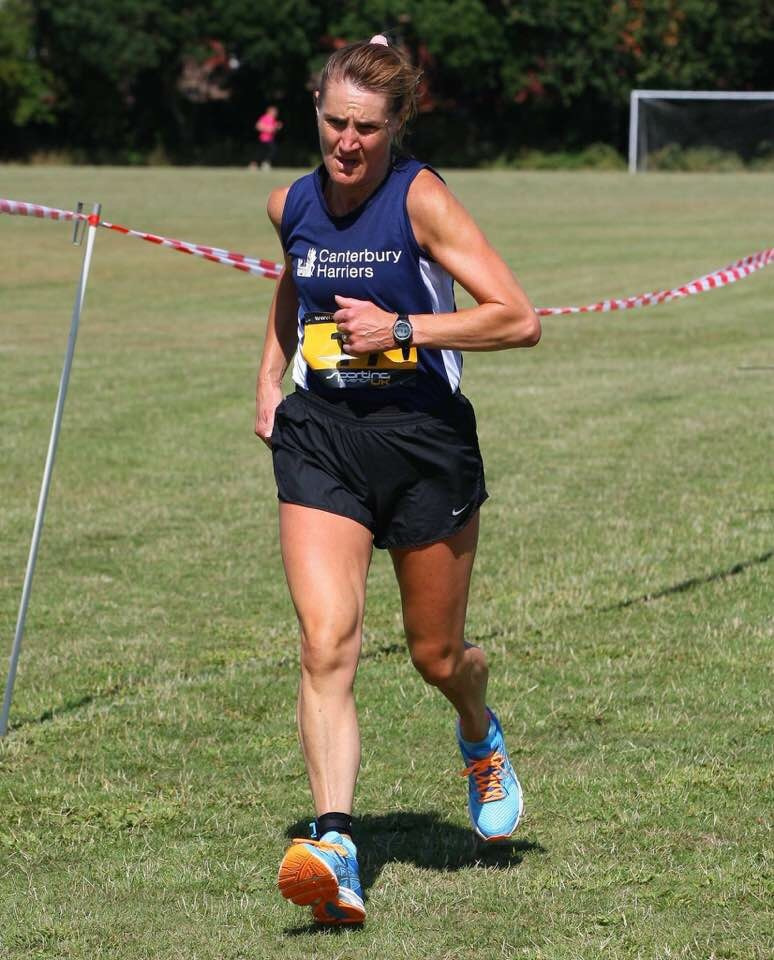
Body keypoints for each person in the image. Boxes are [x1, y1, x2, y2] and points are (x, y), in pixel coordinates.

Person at [254, 34, 540, 926]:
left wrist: (404, 328)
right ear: (316, 113)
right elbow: (295, 284)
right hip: (324, 438)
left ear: (397, 126)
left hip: (424, 444)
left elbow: (517, 318)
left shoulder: (422, 199)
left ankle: (478, 733)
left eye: (368, 128)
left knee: (436, 656)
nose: (348, 142)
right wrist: (268, 378)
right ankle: (336, 847)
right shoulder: (290, 202)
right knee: (326, 642)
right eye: (335, 122)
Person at [254, 105, 283, 169]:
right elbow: (258, 126)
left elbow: (273, 129)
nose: (276, 113)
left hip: (270, 139)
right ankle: (257, 164)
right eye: (274, 112)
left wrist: (277, 126)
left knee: (270, 151)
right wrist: (268, 129)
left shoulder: (273, 119)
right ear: (269, 111)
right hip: (263, 138)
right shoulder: (265, 117)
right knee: (264, 151)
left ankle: (264, 163)